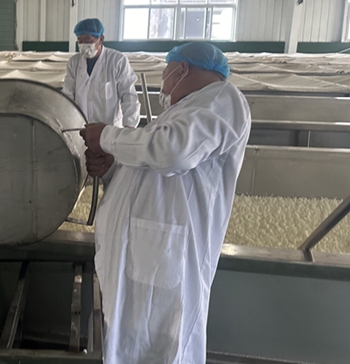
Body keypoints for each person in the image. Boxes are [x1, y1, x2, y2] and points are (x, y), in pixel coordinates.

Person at [80, 42, 251, 364]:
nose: (164, 86)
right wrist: (114, 168)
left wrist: (106, 137)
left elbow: (172, 152)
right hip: (143, 261)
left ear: (182, 69)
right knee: (131, 346)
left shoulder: (222, 99)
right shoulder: (184, 112)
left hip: (165, 263)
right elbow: (155, 171)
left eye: (165, 75)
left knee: (164, 349)